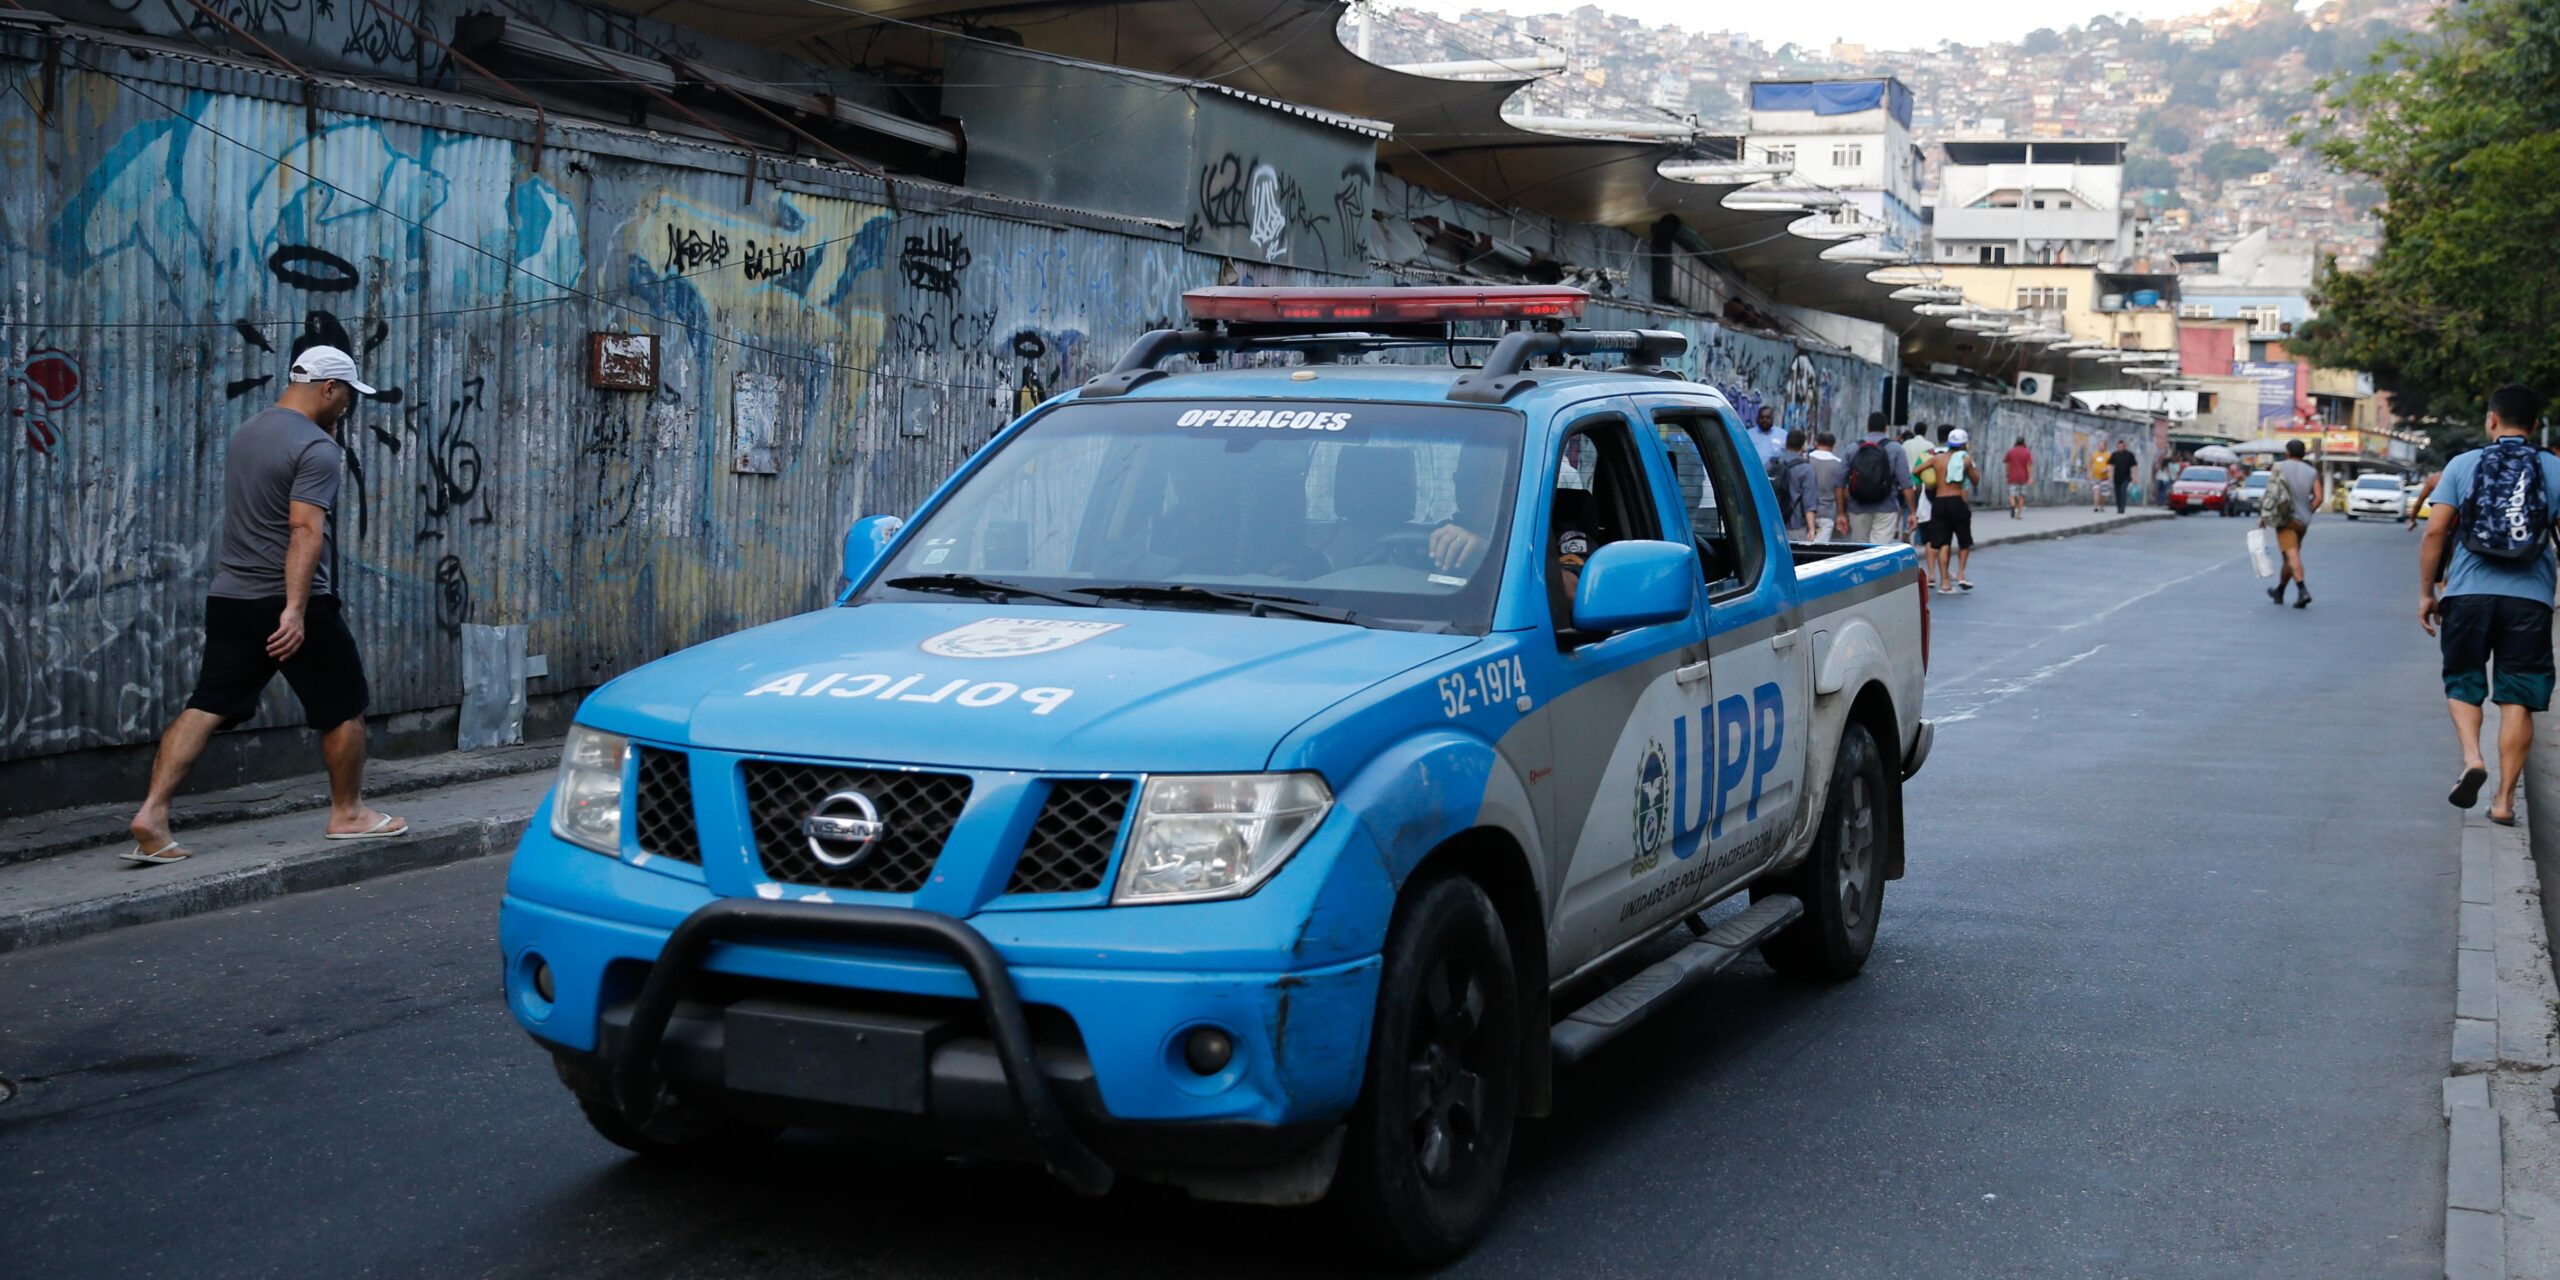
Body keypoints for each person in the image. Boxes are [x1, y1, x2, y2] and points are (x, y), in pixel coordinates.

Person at [124, 346, 406, 864]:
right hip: (291, 602)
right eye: (346, 395)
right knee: (343, 708)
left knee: (207, 704)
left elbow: (265, 502)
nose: (347, 406)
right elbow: (302, 528)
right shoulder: (317, 450)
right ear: (328, 389)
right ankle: (348, 813)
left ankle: (153, 814)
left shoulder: (249, 432)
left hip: (232, 597)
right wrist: (295, 610)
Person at [2420, 384, 2560, 824]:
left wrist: (2428, 591)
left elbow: (2435, 532)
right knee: (2518, 697)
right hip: (2530, 599)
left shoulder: (2463, 464)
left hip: (2467, 595)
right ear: (2535, 425)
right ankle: (2503, 801)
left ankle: (2472, 758)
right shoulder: (2554, 469)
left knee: (2463, 680)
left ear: (2492, 419)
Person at [2262, 437, 2325, 608]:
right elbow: (2319, 498)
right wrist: (2308, 510)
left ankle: (2302, 589)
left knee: (2291, 555)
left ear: (2287, 453)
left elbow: (2271, 493)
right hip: (2303, 521)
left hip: (2286, 519)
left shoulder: (2279, 467)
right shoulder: (2311, 472)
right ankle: (2280, 591)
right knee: (2288, 557)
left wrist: (2263, 516)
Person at [1840, 413, 1912, 543]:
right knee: (1879, 553)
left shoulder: (1852, 448)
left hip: (1857, 507)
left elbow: (1839, 483)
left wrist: (1841, 512)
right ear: (1886, 429)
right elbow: (1906, 484)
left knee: (1859, 552)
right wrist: (1912, 512)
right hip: (1886, 507)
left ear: (1867, 427)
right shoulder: (1896, 449)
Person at [1927, 427, 1980, 592]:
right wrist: (1969, 466)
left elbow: (1916, 470)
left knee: (1944, 542)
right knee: (1964, 541)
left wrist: (1934, 481)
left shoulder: (1937, 459)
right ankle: (1960, 575)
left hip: (1939, 502)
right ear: (1964, 444)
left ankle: (1944, 583)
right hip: (1956, 501)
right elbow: (1976, 480)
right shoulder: (1965, 459)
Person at [1808, 430, 1846, 542]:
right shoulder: (1838, 464)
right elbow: (1842, 491)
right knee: (1819, 551)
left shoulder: (1806, 459)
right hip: (1827, 513)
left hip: (1805, 513)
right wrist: (1841, 513)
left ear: (1816, 443)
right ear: (1833, 445)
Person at [1745, 405, 1783, 474]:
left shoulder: (1783, 435)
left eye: (1767, 417)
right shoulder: (1749, 434)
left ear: (1772, 418)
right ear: (1758, 418)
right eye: (1762, 417)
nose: (1764, 420)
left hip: (1775, 478)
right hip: (1752, 474)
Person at [2003, 437, 2032, 519]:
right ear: (2024, 442)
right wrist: (2030, 477)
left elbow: (2007, 464)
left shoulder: (2011, 451)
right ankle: (2018, 514)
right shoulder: (2027, 452)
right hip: (2023, 477)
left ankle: (2012, 505)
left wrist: (2007, 474)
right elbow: (2028, 466)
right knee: (2022, 495)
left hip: (2012, 476)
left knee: (2012, 494)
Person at [2109, 440, 2139, 514]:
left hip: (2126, 477)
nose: (2121, 448)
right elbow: (2111, 465)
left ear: (2125, 447)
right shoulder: (2114, 455)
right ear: (2117, 447)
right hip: (2117, 477)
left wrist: (2134, 476)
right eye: (2119, 447)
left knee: (2123, 491)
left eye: (2122, 446)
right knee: (2117, 493)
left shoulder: (2130, 455)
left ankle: (2122, 508)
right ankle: (2119, 507)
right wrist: (2110, 475)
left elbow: (2134, 466)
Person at [2089, 447, 2112, 512]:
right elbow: (2090, 463)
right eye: (2100, 445)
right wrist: (2089, 473)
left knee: (2103, 494)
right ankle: (2095, 506)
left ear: (2105, 446)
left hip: (2104, 478)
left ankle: (2102, 506)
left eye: (2102, 445)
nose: (2101, 447)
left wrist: (2107, 469)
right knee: (2096, 491)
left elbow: (2110, 465)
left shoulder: (2108, 455)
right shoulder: (2095, 454)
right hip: (2096, 477)